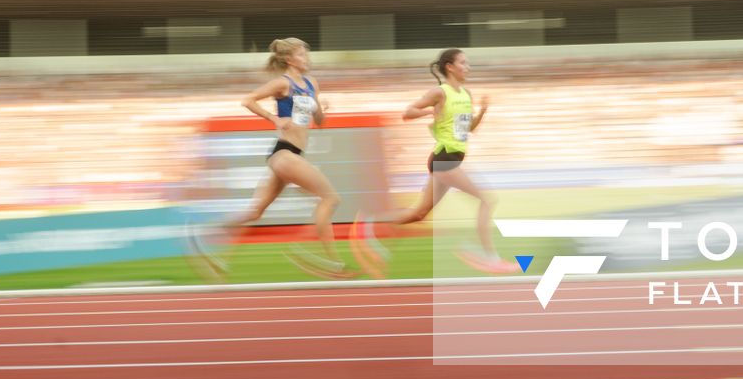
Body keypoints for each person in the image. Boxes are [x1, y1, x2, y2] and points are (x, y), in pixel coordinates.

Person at [190, 38, 351, 280]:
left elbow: (319, 123)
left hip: (290, 156)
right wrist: (274, 119)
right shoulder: (281, 84)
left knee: (255, 213)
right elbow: (248, 100)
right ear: (289, 59)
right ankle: (332, 262)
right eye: (302, 55)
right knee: (331, 198)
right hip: (284, 153)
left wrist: (321, 108)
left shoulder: (311, 84)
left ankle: (206, 241)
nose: (307, 59)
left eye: (307, 55)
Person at [353, 48, 517, 276]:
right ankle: (489, 257)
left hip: (450, 159)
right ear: (450, 67)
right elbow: (408, 112)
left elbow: (469, 129)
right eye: (463, 63)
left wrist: (483, 112)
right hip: (445, 160)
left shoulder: (466, 94)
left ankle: (368, 223)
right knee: (487, 200)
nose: (468, 67)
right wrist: (429, 113)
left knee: (418, 214)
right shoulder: (440, 92)